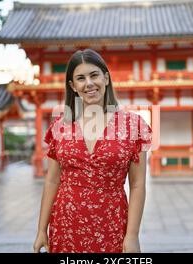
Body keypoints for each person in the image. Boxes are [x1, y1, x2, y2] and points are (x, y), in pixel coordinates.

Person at [33, 49, 152, 253]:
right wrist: (41, 230)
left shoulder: (133, 125)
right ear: (73, 86)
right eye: (80, 78)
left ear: (106, 78)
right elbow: (52, 181)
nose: (88, 83)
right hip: (66, 223)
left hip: (112, 223)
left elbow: (138, 185)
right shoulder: (60, 127)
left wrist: (132, 235)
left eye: (94, 75)